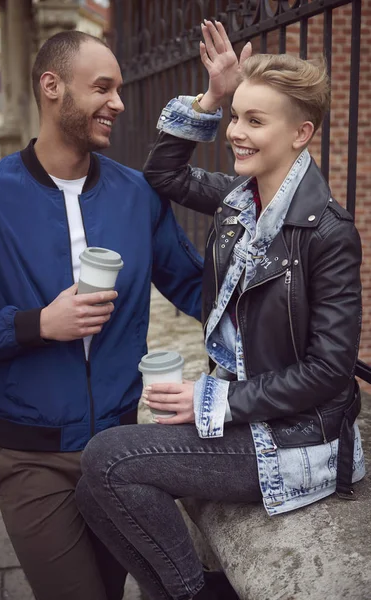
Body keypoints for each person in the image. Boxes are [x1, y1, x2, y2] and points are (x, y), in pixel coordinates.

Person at [76, 20, 366, 600]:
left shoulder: (328, 233)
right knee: (94, 485)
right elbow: (164, 174)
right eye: (236, 116)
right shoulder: (240, 201)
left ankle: (196, 593)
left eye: (254, 121)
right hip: (246, 418)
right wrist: (211, 96)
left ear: (301, 133)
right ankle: (188, 590)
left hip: (296, 440)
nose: (235, 132)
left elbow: (329, 371)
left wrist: (209, 399)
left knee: (107, 461)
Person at [0, 31, 203, 600]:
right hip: (32, 456)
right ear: (52, 87)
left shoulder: (137, 194)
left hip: (118, 451)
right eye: (103, 88)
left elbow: (197, 287)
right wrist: (37, 324)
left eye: (120, 89)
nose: (119, 104)